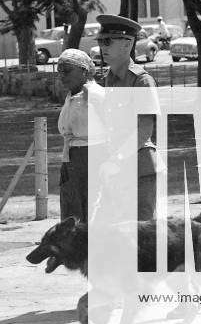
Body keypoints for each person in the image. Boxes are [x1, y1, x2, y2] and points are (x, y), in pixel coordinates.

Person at [97, 14, 160, 221]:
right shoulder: (109, 79)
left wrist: (117, 159)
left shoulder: (141, 81)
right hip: (117, 168)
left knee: (141, 235)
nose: (102, 47)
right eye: (100, 41)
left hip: (140, 168)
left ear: (127, 44)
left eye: (108, 41)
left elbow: (144, 130)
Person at [56, 49, 105, 222]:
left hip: (94, 158)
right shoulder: (71, 97)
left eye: (67, 71)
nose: (62, 76)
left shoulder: (97, 94)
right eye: (59, 72)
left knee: (91, 210)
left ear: (84, 70)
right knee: (72, 212)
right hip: (72, 158)